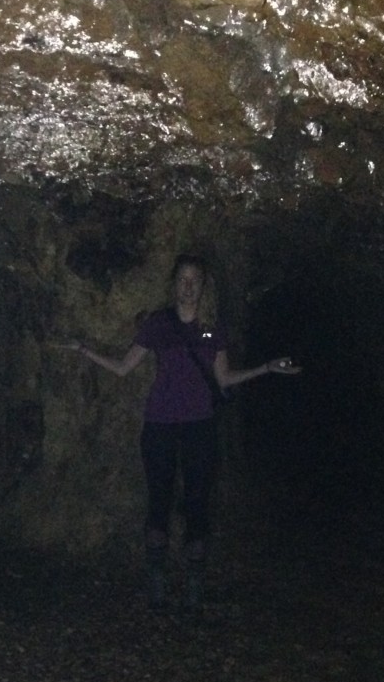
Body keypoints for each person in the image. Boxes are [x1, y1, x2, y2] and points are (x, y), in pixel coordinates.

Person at [66, 255, 301, 610]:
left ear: (204, 286)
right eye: (182, 279)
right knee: (158, 501)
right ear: (173, 284)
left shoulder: (211, 329)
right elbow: (123, 367)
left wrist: (267, 367)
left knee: (197, 503)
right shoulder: (159, 324)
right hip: (160, 423)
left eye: (194, 280)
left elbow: (224, 379)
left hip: (198, 424)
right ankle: (157, 578)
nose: (188, 286)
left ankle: (194, 582)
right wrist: (84, 350)